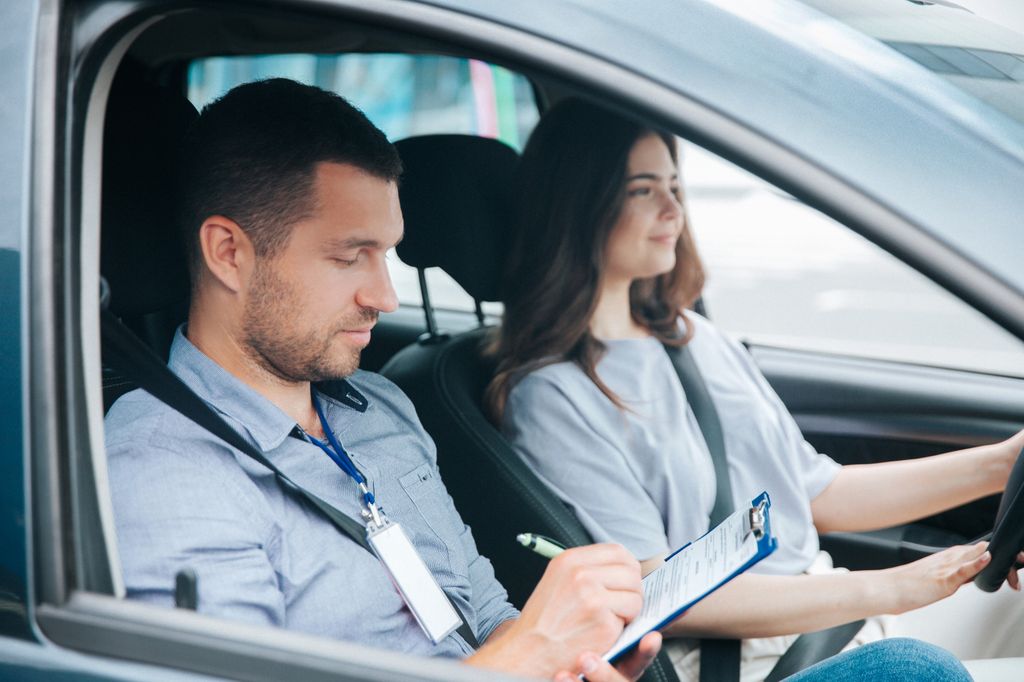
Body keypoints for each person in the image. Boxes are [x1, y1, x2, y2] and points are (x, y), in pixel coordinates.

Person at [104, 78, 972, 682]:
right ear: (228, 251)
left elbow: (484, 619)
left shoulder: (381, 412)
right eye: (349, 256)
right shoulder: (169, 474)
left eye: (390, 252)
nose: (385, 292)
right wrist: (526, 654)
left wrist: (582, 653)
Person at [489, 97, 1024, 680]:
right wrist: (890, 588)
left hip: (829, 614)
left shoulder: (692, 337)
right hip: (748, 659)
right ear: (577, 205)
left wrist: (1003, 464)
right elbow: (658, 592)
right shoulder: (551, 396)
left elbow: (818, 493)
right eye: (643, 190)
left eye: (674, 185)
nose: (673, 208)